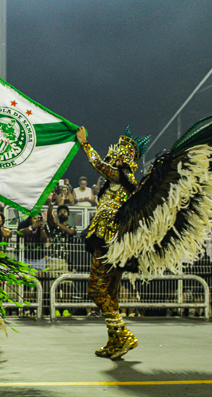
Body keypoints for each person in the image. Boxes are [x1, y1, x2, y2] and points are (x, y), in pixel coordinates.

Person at [76, 126, 146, 359]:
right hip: (113, 241)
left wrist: (84, 144)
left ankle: (123, 334)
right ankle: (114, 341)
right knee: (111, 293)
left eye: (116, 154)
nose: (112, 156)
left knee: (96, 291)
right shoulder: (120, 181)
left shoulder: (121, 176)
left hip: (108, 241)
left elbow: (98, 164)